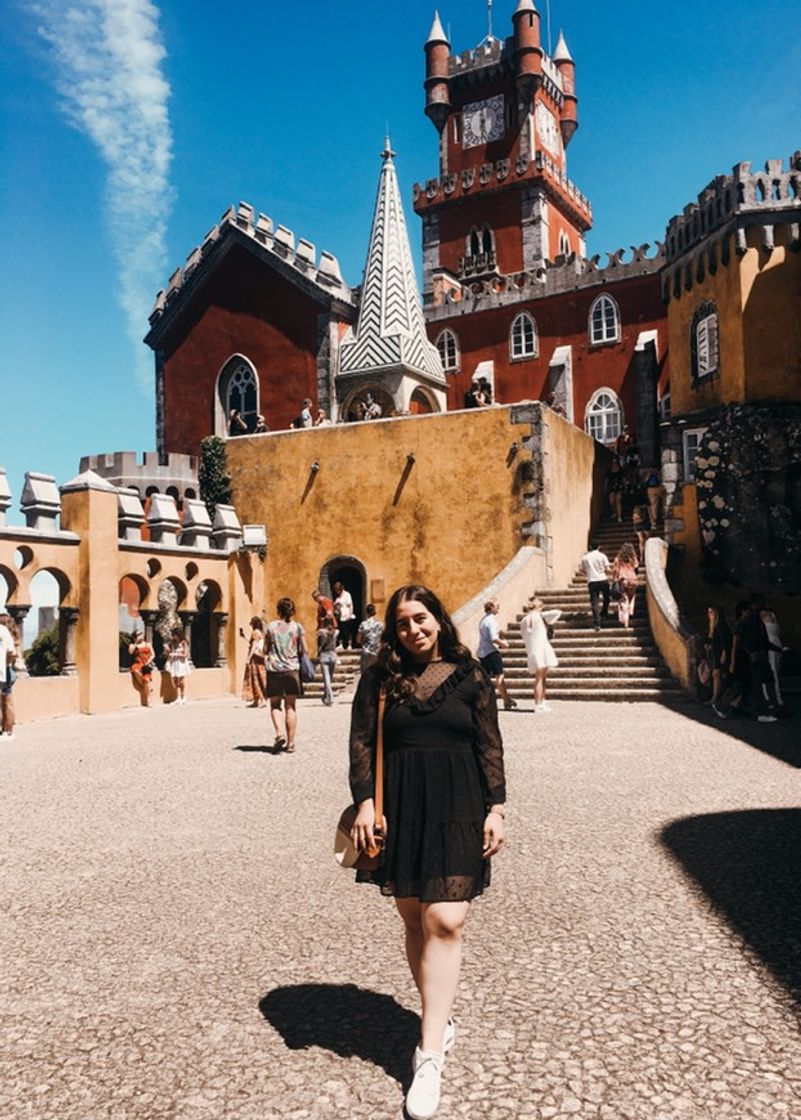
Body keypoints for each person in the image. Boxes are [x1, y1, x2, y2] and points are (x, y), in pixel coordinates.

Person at [348, 585, 505, 1120]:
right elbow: (363, 743)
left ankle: (429, 1053)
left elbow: (489, 744)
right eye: (402, 623)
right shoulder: (381, 677)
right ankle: (437, 1018)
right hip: (404, 810)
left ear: (438, 619)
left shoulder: (471, 675)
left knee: (445, 919)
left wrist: (497, 809)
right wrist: (365, 802)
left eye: (421, 618)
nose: (413, 629)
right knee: (414, 916)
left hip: (460, 805)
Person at [265, 598, 306, 751]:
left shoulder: (271, 627)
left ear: (278, 610)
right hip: (291, 669)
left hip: (274, 669)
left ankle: (279, 734)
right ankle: (290, 743)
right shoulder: (297, 627)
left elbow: (264, 649)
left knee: (275, 705)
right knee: (290, 706)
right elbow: (304, 649)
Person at [521, 595, 560, 713]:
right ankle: (538, 703)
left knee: (541, 677)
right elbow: (557, 612)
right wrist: (540, 610)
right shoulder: (539, 616)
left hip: (533, 650)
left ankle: (542, 701)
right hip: (541, 648)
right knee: (540, 678)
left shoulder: (524, 620)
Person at [477, 599, 517, 711]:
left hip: (483, 652)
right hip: (491, 652)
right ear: (491, 608)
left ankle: (483, 700)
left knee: (485, 679)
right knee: (499, 676)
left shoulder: (483, 620)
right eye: (496, 606)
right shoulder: (491, 621)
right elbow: (493, 638)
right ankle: (506, 700)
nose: (498, 608)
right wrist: (504, 644)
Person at [580, 542, 611, 631]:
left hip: (592, 581)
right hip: (603, 579)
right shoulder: (602, 556)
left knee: (594, 602)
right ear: (599, 546)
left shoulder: (585, 558)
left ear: (590, 547)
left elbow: (582, 570)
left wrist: (588, 574)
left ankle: (597, 623)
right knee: (607, 598)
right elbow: (607, 569)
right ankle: (604, 612)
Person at [761, 605, 787, 706]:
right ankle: (773, 696)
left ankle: (772, 697)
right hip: (776, 644)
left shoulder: (765, 616)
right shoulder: (772, 617)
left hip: (771, 645)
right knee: (774, 670)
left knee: (772, 671)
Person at [705, 607, 731, 708]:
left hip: (719, 654)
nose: (709, 614)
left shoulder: (720, 625)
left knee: (717, 674)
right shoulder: (714, 626)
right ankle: (715, 696)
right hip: (715, 653)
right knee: (716, 674)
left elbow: (725, 640)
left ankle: (715, 697)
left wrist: (724, 653)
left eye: (711, 612)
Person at [0, 612, 19, 741]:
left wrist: (4, 664)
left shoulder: (5, 633)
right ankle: (8, 730)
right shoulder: (11, 634)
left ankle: (7, 730)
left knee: (6, 702)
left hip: (6, 670)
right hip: (8, 669)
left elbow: (13, 653)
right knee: (7, 702)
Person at [611, 543, 639, 628]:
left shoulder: (618, 559)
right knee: (631, 597)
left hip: (623, 580)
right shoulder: (633, 559)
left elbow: (615, 571)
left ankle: (625, 619)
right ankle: (630, 611)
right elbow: (636, 568)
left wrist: (614, 579)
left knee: (623, 599)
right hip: (633, 580)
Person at [241, 616, 266, 707]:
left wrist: (248, 658)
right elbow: (253, 642)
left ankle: (261, 699)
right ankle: (257, 700)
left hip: (255, 659)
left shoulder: (255, 632)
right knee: (259, 678)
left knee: (255, 678)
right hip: (260, 658)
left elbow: (254, 646)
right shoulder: (260, 632)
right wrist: (244, 637)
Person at [316, 613, 339, 706]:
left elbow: (317, 639)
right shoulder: (336, 632)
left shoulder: (321, 632)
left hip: (324, 655)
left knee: (326, 679)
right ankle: (326, 697)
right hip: (333, 655)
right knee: (330, 678)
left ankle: (330, 698)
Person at [128, 631, 155, 707]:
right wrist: (136, 642)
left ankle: (148, 701)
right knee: (135, 670)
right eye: (138, 634)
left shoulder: (148, 644)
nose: (141, 635)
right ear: (135, 637)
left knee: (146, 680)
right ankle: (147, 687)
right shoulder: (132, 645)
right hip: (138, 664)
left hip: (146, 664)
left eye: (141, 633)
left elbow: (153, 655)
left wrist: (148, 661)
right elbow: (130, 652)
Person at [356, 603, 383, 674]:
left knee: (364, 673)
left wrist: (362, 641)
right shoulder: (380, 624)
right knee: (376, 672)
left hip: (366, 650)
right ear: (375, 612)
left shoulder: (363, 624)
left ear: (366, 612)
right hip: (376, 651)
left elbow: (358, 639)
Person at [166, 627, 190, 705]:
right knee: (175, 679)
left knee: (181, 680)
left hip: (181, 663)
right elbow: (169, 652)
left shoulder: (184, 643)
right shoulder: (173, 643)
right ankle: (177, 697)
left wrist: (175, 654)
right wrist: (167, 650)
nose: (173, 636)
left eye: (174, 635)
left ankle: (183, 696)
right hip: (174, 662)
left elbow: (185, 655)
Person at [332, 580, 356, 649]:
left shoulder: (347, 595)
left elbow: (350, 605)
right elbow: (335, 605)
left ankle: (349, 645)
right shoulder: (338, 597)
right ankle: (341, 644)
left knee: (348, 631)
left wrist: (350, 614)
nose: (337, 592)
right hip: (339, 616)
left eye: (337, 590)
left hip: (346, 615)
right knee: (341, 630)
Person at [605, 457, 625, 522]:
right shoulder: (609, 471)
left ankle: (619, 516)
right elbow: (606, 479)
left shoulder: (621, 470)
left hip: (619, 487)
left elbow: (624, 479)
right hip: (611, 487)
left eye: (616, 462)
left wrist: (625, 486)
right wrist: (605, 487)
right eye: (613, 462)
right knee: (612, 501)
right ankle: (615, 512)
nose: (614, 463)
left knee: (618, 501)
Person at [632, 498, 650, 562]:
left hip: (637, 525)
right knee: (648, 539)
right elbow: (650, 515)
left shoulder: (635, 508)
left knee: (641, 540)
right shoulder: (646, 506)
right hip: (645, 523)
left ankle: (642, 556)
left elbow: (634, 518)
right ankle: (646, 553)